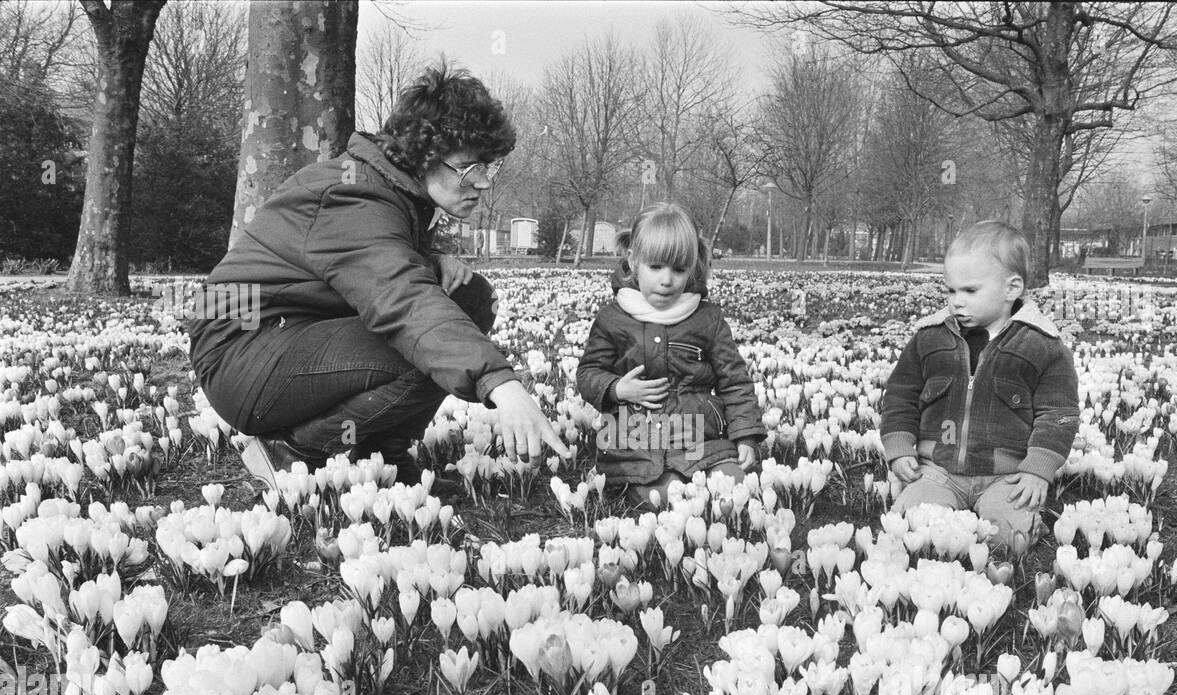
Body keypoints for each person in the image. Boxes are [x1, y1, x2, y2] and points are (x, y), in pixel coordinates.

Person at [188, 62, 568, 496]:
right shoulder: (353, 191)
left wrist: (427, 259)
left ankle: (381, 458)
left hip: (281, 335)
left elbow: (363, 266)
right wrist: (501, 383)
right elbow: (401, 302)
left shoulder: (388, 188)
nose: (482, 183)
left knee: (468, 297)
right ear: (424, 155)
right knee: (424, 341)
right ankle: (291, 452)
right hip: (242, 351)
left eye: (488, 167)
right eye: (469, 167)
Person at [880, 220, 1080, 553]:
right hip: (937, 471)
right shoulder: (928, 339)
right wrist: (899, 447)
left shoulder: (1042, 346)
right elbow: (900, 394)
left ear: (1011, 288)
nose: (957, 301)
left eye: (970, 291)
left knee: (1009, 539)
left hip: (1009, 477)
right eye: (951, 290)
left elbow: (1058, 412)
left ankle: (1009, 520)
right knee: (912, 527)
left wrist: (1037, 471)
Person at [577, 203, 766, 506]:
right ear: (633, 260)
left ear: (692, 268)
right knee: (668, 495)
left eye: (679, 269)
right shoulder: (613, 319)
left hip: (700, 439)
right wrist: (617, 388)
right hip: (637, 445)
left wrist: (745, 436)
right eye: (655, 267)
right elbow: (588, 374)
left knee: (734, 488)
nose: (667, 280)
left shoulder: (707, 318)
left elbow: (735, 380)